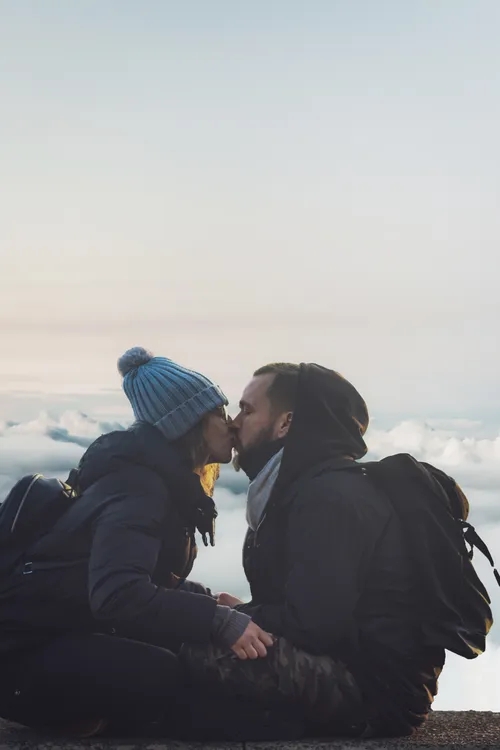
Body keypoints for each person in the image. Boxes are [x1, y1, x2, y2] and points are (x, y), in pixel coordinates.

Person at [0, 347, 272, 736]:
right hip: (22, 652)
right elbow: (118, 594)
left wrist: (209, 600)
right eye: (219, 411)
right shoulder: (139, 489)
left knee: (178, 657)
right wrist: (217, 621)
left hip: (54, 631)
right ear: (188, 423)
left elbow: (138, 573)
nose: (230, 423)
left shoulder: (152, 478)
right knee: (159, 673)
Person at [183, 362, 446, 738]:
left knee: (188, 649)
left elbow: (314, 626)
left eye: (247, 409)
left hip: (370, 693)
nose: (234, 422)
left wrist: (237, 616)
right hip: (348, 669)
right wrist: (237, 615)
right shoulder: (298, 490)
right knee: (196, 629)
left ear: (286, 423)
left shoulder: (329, 499)